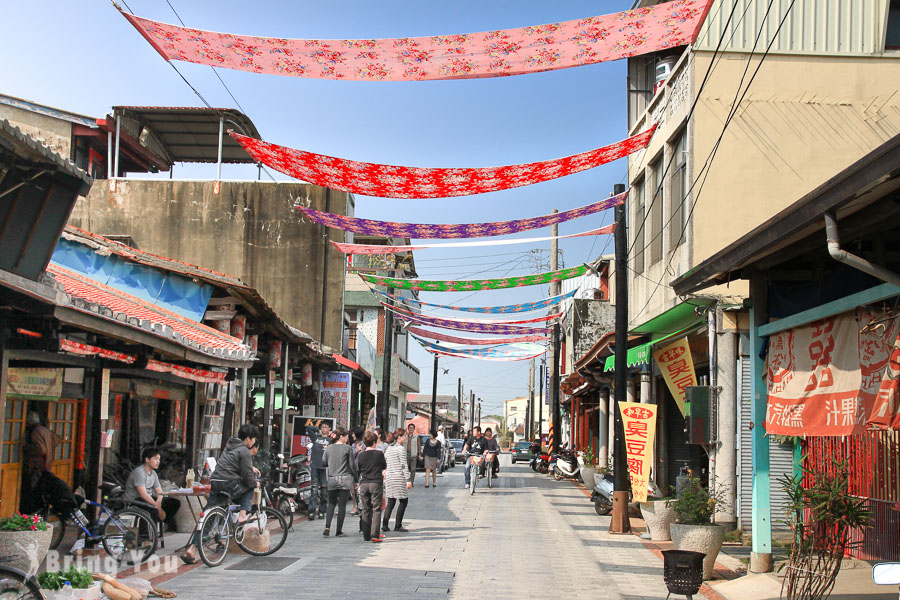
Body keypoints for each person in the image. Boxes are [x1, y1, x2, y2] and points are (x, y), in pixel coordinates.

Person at [180, 424, 260, 563]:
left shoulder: (229, 447)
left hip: (215, 481)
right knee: (249, 487)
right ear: (248, 438)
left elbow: (231, 465)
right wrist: (255, 483)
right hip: (228, 483)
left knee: (208, 517)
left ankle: (192, 549)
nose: (254, 442)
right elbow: (247, 476)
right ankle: (242, 515)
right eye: (253, 439)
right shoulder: (244, 451)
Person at [124, 447, 181, 529]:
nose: (158, 462)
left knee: (174, 503)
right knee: (152, 509)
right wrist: (156, 506)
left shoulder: (153, 473)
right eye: (155, 459)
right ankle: (146, 538)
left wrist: (159, 501)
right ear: (147, 460)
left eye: (159, 459)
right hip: (134, 500)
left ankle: (161, 522)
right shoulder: (139, 472)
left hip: (148, 499)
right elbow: (143, 494)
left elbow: (159, 490)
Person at [322, 428, 357, 537]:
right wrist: (355, 479)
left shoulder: (328, 448)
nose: (347, 438)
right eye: (346, 436)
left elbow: (324, 463)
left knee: (331, 504)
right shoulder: (348, 448)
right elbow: (352, 465)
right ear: (341, 436)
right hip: (345, 479)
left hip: (332, 479)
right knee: (342, 505)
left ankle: (327, 526)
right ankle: (338, 531)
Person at [357, 431, 386, 543]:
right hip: (376, 483)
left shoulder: (361, 455)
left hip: (364, 483)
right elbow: (384, 466)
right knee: (376, 509)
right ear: (374, 442)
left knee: (366, 509)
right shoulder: (379, 454)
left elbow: (358, 469)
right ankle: (374, 534)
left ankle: (366, 535)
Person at [382, 428, 412, 533]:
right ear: (399, 437)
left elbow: (385, 462)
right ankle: (398, 525)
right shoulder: (401, 449)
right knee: (403, 501)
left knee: (391, 501)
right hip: (399, 478)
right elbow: (403, 464)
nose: (406, 438)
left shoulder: (389, 448)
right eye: (404, 436)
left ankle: (385, 524)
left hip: (389, 478)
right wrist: (408, 479)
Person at [306, 421, 334, 521]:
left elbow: (338, 435)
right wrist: (317, 429)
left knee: (324, 490)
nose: (324, 429)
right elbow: (309, 428)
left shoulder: (331, 439)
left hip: (325, 467)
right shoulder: (316, 438)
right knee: (313, 489)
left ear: (329, 428)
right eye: (323, 427)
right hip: (314, 466)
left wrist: (331, 433)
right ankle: (311, 511)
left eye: (326, 427)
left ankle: (322, 511)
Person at [405, 423, 420, 487]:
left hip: (413, 455)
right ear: (408, 429)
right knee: (406, 469)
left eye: (412, 428)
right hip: (406, 454)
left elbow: (419, 446)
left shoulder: (416, 437)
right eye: (410, 428)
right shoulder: (405, 436)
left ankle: (411, 481)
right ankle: (407, 481)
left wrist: (419, 454)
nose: (411, 429)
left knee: (413, 469)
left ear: (414, 429)